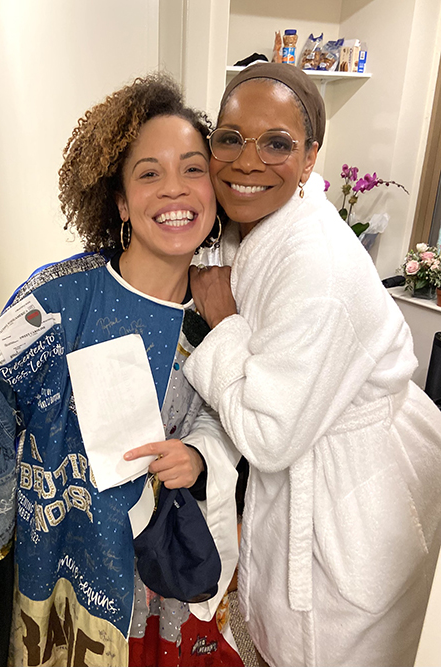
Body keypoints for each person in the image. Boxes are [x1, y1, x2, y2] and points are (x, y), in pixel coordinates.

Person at [0, 74, 242, 667]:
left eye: (192, 168)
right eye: (149, 173)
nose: (174, 190)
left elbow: (237, 418)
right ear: (122, 201)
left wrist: (200, 455)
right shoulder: (59, 298)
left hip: (161, 578)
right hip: (57, 564)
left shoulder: (221, 308)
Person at [183, 62, 441, 667]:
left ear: (310, 158)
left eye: (277, 144)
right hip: (322, 464)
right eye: (230, 138)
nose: (248, 162)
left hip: (355, 489)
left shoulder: (315, 267)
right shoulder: (257, 227)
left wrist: (225, 324)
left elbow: (270, 437)